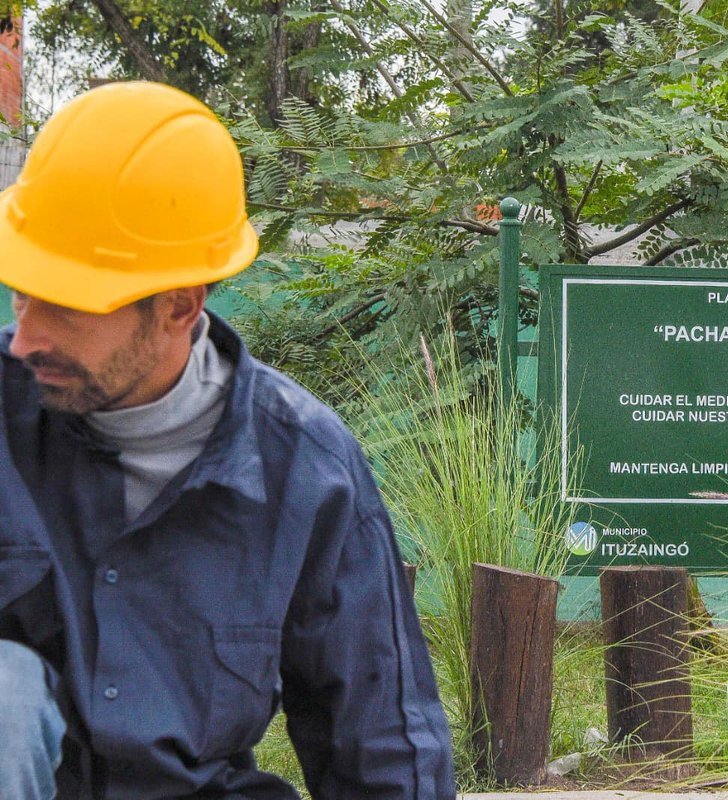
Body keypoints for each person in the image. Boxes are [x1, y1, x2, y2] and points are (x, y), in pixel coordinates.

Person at [0, 81, 455, 799]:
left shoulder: (308, 467)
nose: (25, 336)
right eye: (22, 293)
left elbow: (381, 749)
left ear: (179, 305)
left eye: (64, 305)